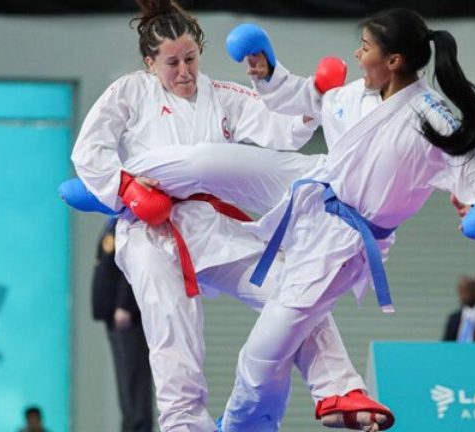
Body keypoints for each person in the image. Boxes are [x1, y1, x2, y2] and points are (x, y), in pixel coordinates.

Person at [71, 1, 386, 430]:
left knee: (294, 288)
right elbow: (89, 149)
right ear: (149, 63)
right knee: (174, 338)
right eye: (171, 63)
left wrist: (311, 97)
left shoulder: (221, 95)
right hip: (150, 230)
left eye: (190, 59)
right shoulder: (130, 91)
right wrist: (123, 187)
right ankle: (186, 425)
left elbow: (282, 131)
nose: (183, 71)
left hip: (212, 222)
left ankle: (338, 389)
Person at [220, 8, 475, 431]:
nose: (357, 54)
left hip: (345, 247)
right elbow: (310, 99)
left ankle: (238, 425)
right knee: (218, 167)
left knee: (262, 352)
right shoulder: (360, 94)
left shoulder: (433, 118)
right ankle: (340, 392)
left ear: (393, 61)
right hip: (312, 202)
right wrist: (268, 71)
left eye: (366, 47)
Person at [92, 219, 153, 431]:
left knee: (134, 382)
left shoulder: (133, 219)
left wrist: (126, 304)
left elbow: (135, 263)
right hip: (113, 315)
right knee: (126, 384)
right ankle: (131, 426)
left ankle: (138, 427)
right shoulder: (113, 220)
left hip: (128, 316)